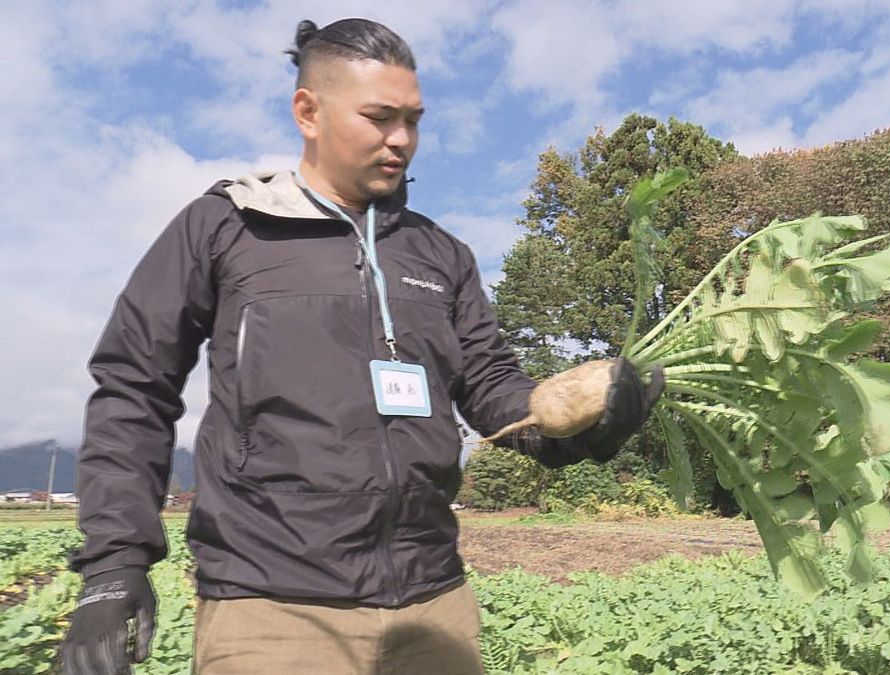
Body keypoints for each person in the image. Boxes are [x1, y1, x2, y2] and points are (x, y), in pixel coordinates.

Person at [59, 18, 664, 675]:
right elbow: (133, 387)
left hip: (435, 604)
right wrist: (114, 561)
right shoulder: (229, 226)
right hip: (274, 607)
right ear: (308, 111)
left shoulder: (441, 254)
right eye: (379, 117)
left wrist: (584, 424)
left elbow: (494, 392)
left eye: (413, 119)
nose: (401, 139)